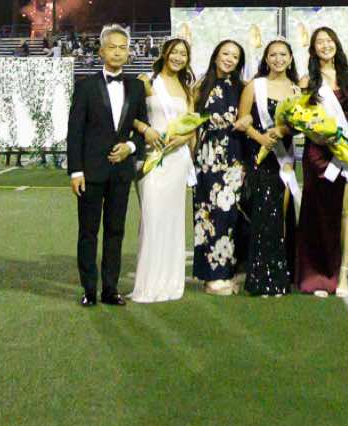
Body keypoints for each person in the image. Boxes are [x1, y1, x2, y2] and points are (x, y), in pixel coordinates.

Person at [292, 27, 348, 296]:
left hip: (343, 150)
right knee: (317, 211)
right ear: (313, 49)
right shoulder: (307, 81)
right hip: (317, 153)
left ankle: (343, 272)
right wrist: (317, 135)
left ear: (337, 44)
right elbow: (300, 119)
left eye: (329, 41)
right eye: (320, 42)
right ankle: (318, 273)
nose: (325, 46)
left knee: (345, 210)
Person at [67, 27, 148, 307]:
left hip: (121, 172)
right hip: (90, 172)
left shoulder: (136, 87)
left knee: (115, 231)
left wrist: (131, 147)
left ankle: (110, 289)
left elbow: (143, 128)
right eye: (112, 47)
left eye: (123, 47)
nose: (117, 52)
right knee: (88, 232)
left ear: (129, 52)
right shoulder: (85, 86)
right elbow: (75, 132)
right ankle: (89, 289)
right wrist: (76, 171)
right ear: (101, 51)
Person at [128, 38, 196, 304]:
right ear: (165, 53)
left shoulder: (187, 89)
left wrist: (183, 139)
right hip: (152, 158)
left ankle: (170, 281)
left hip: (177, 159)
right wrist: (146, 130)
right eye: (174, 52)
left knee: (172, 220)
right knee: (152, 217)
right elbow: (128, 114)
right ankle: (147, 283)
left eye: (183, 54)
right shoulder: (146, 81)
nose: (178, 57)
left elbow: (192, 125)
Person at [238, 39, 300, 297]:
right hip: (260, 158)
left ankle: (279, 276)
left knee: (281, 217)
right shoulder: (255, 86)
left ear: (290, 58)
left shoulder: (296, 90)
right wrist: (260, 137)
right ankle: (260, 278)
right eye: (273, 55)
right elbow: (242, 121)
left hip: (284, 159)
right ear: (266, 59)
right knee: (262, 216)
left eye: (283, 54)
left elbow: (298, 125)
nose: (278, 59)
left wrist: (283, 130)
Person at [191, 39, 249, 294]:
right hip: (208, 158)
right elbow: (192, 124)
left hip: (235, 156)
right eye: (225, 53)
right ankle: (212, 276)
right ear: (215, 56)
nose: (229, 59)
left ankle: (231, 272)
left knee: (231, 215)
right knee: (208, 215)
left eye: (235, 56)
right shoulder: (200, 86)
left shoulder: (243, 88)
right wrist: (192, 158)